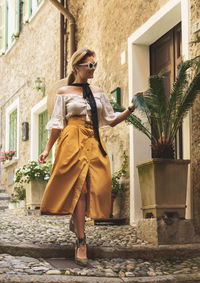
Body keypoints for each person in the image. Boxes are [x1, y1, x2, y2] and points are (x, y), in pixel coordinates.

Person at [38, 47, 136, 266]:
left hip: (93, 139)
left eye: (95, 65)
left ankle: (77, 220)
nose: (93, 69)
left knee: (99, 185)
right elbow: (57, 124)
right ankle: (82, 241)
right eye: (89, 65)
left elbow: (110, 119)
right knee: (79, 188)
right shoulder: (63, 92)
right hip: (71, 139)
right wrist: (46, 149)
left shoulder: (99, 91)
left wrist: (129, 109)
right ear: (77, 67)